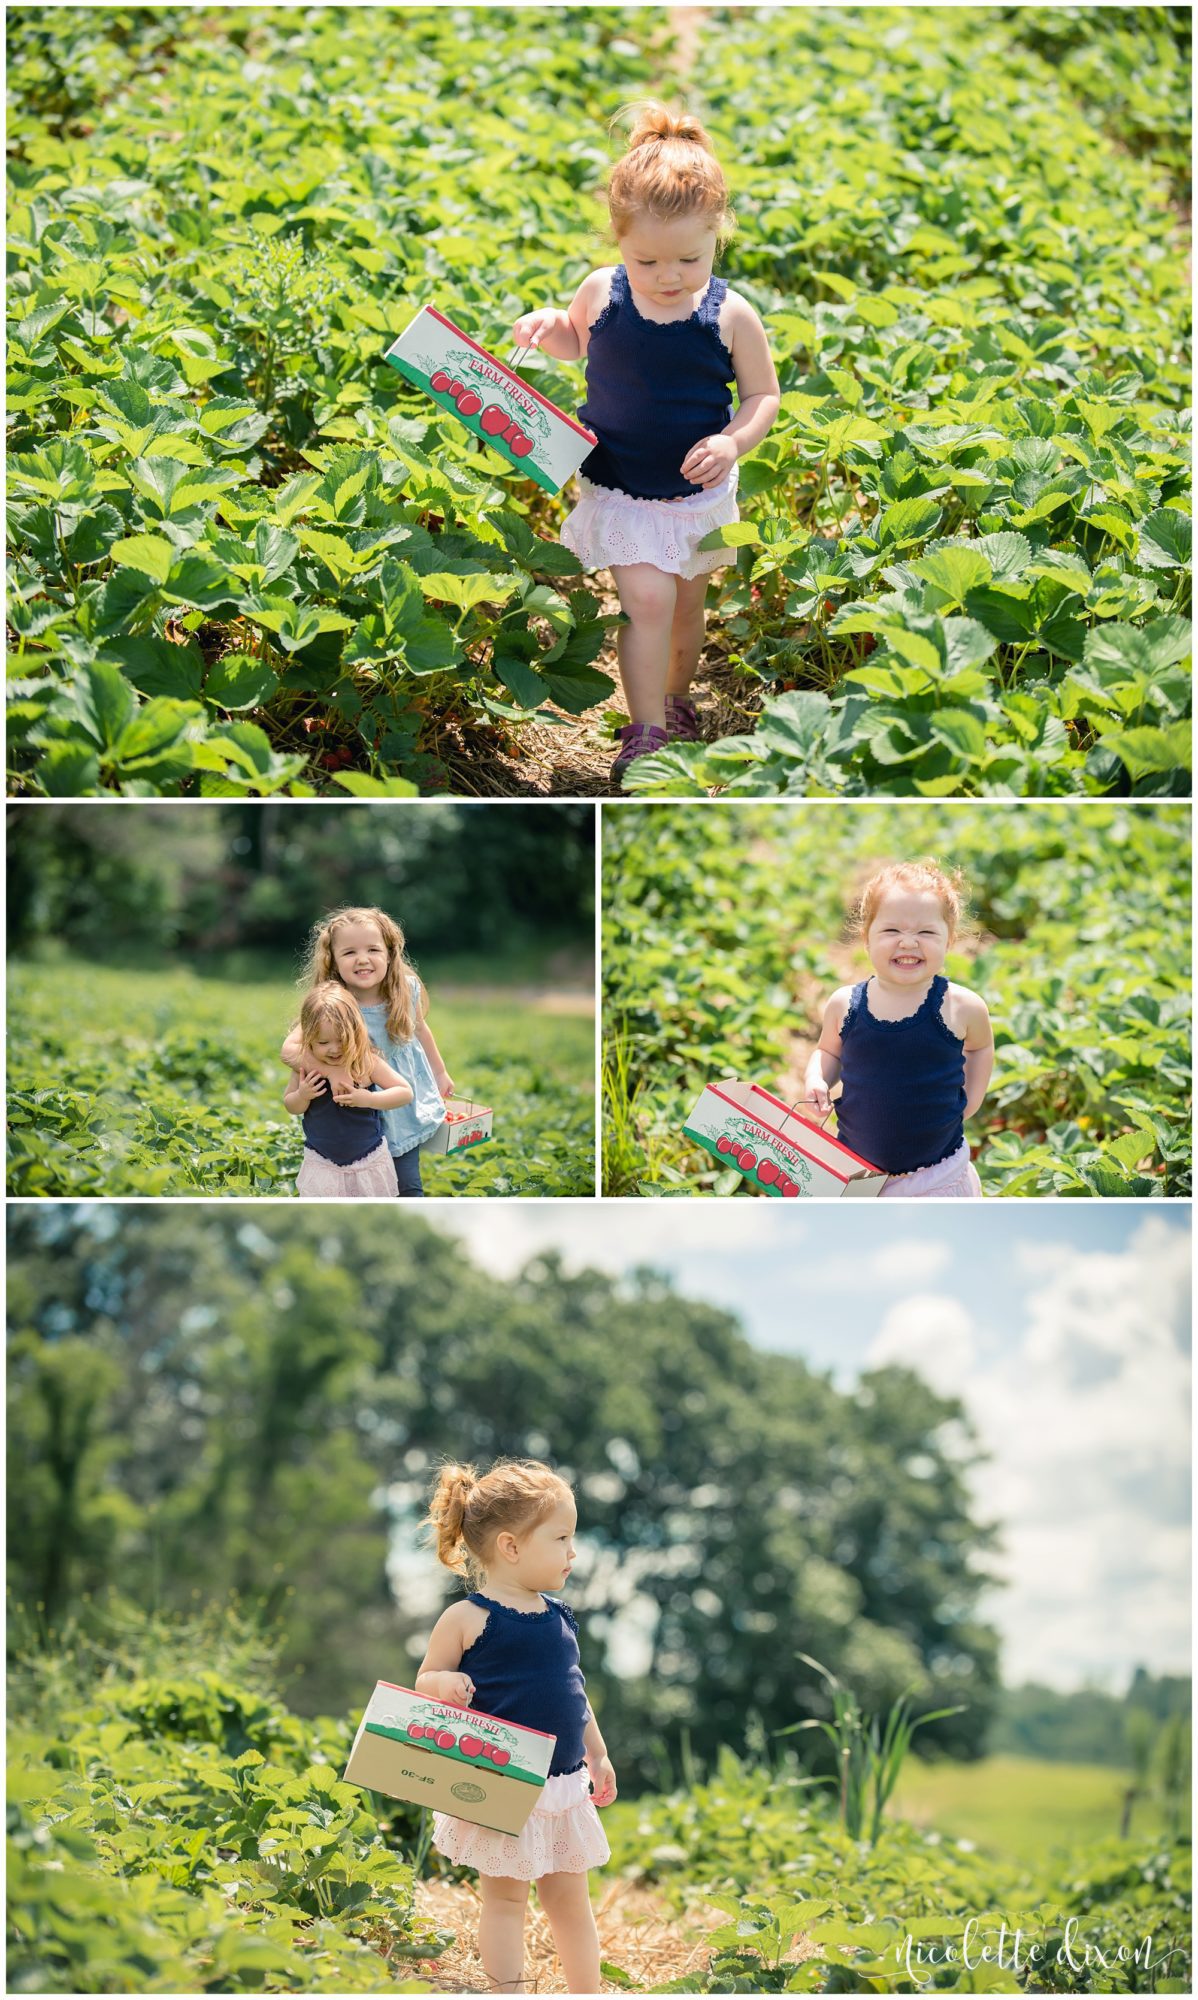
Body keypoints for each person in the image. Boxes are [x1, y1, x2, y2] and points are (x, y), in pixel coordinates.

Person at [512, 101, 779, 789]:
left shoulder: (730, 315)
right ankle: (646, 728)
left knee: (689, 602)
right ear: (618, 240)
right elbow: (579, 340)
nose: (667, 275)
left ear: (716, 235)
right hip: (622, 482)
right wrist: (551, 325)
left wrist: (732, 442)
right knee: (648, 603)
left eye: (689, 258)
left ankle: (678, 698)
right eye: (646, 259)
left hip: (697, 494)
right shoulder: (604, 291)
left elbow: (763, 397)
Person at [417, 1460, 616, 1994]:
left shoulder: (560, 1617)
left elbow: (574, 1695)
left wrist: (597, 1754)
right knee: (506, 1903)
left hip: (561, 1785)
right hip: (500, 1784)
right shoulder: (468, 1618)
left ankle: (586, 1993)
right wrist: (443, 1685)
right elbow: (425, 1679)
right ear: (511, 1546)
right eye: (561, 1537)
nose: (573, 1552)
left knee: (571, 1905)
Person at [805, 861, 994, 1197]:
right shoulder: (845, 1004)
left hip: (938, 1173)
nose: (908, 943)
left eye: (926, 932)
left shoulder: (961, 1006)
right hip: (856, 1173)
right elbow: (828, 1051)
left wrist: (971, 1100)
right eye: (892, 931)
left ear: (949, 940)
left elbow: (980, 1047)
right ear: (867, 939)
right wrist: (817, 1078)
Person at [281, 905, 452, 1197]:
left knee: (406, 1179)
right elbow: (289, 1050)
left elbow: (420, 1030)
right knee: (359, 1174)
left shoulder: (404, 989)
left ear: (389, 953)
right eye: (349, 953)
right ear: (333, 960)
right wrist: (333, 1070)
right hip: (353, 1109)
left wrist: (439, 1071)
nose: (363, 960)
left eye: (373, 949)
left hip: (397, 1100)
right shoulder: (334, 1004)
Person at [284, 983, 414, 1197]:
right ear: (308, 1039)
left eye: (342, 1040)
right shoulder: (306, 1066)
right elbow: (290, 1105)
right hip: (322, 1161)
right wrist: (302, 1095)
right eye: (323, 1042)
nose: (334, 1049)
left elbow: (404, 1092)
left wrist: (369, 1099)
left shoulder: (365, 1063)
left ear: (356, 1033)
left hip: (368, 1159)